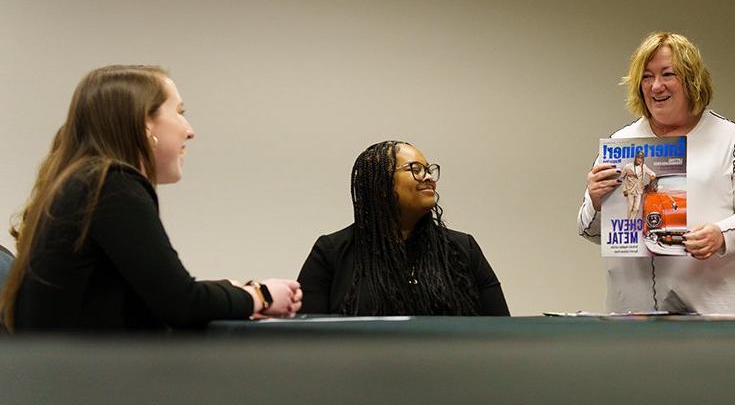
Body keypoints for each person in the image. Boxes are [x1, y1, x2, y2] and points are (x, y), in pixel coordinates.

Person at [0, 65, 301, 332]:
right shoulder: (112, 183)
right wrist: (260, 295)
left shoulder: (82, 181)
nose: (190, 131)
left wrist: (230, 291)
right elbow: (182, 303)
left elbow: (151, 296)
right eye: (180, 112)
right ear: (145, 125)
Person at [578, 32, 735, 314]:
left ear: (691, 80)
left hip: (714, 315)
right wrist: (596, 200)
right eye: (647, 77)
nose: (656, 86)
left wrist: (721, 234)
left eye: (668, 74)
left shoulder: (731, 140)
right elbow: (589, 230)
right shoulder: (621, 144)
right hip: (631, 317)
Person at [298, 141, 509, 316]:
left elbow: (501, 329)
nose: (428, 177)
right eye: (415, 169)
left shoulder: (463, 248)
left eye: (428, 169)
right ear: (381, 185)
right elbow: (308, 339)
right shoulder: (332, 252)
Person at [620, 149, 656, 219]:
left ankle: (631, 221)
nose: (639, 160)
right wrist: (624, 189)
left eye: (641, 158)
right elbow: (622, 176)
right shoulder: (628, 166)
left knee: (636, 208)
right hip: (630, 189)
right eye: (638, 158)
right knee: (630, 207)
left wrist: (652, 175)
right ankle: (629, 221)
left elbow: (651, 172)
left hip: (639, 190)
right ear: (635, 158)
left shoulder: (643, 167)